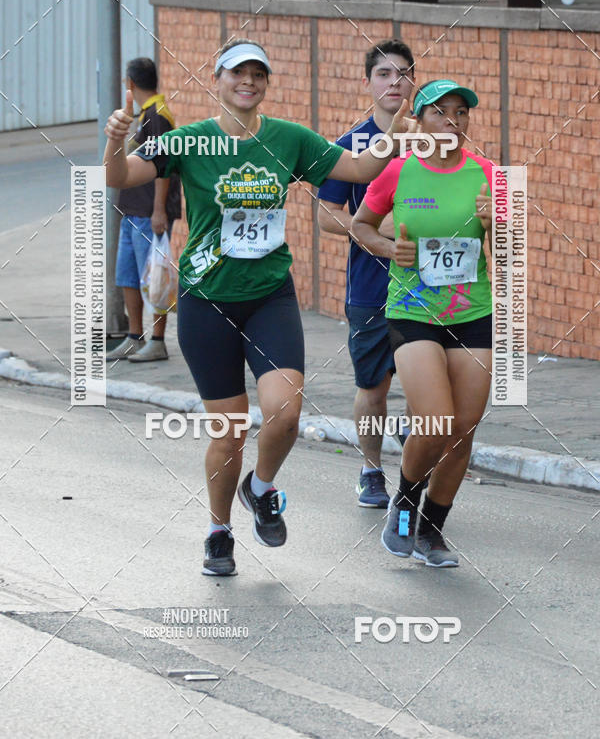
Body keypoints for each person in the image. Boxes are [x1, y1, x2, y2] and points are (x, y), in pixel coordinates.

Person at [103, 39, 411, 577]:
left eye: (258, 74)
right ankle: (219, 531)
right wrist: (112, 144)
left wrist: (395, 132)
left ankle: (261, 487)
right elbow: (119, 177)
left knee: (286, 412)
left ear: (266, 84)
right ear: (217, 79)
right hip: (207, 302)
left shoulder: (288, 139)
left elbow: (359, 169)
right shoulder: (189, 140)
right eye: (237, 73)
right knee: (229, 432)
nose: (248, 81)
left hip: (270, 295)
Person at [351, 79, 494, 567]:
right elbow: (360, 226)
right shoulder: (397, 172)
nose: (452, 122)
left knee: (463, 430)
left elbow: (514, 251)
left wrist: (499, 223)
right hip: (412, 312)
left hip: (473, 313)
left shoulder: (488, 175)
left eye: (461, 113)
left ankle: (432, 529)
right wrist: (393, 249)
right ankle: (406, 501)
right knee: (435, 419)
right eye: (440, 112)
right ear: (422, 120)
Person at [317, 40, 416, 509]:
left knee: (426, 388)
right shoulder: (350, 146)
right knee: (373, 389)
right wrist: (371, 232)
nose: (393, 82)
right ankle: (372, 470)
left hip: (429, 289)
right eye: (384, 74)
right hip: (372, 288)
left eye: (402, 74)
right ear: (368, 83)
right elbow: (325, 214)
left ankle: (415, 472)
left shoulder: (433, 140)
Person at [106, 58, 181, 363]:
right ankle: (134, 338)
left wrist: (159, 210)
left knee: (155, 278)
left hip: (150, 213)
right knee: (127, 277)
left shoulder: (157, 116)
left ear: (130, 84)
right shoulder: (143, 115)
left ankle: (158, 340)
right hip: (132, 211)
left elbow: (163, 168)